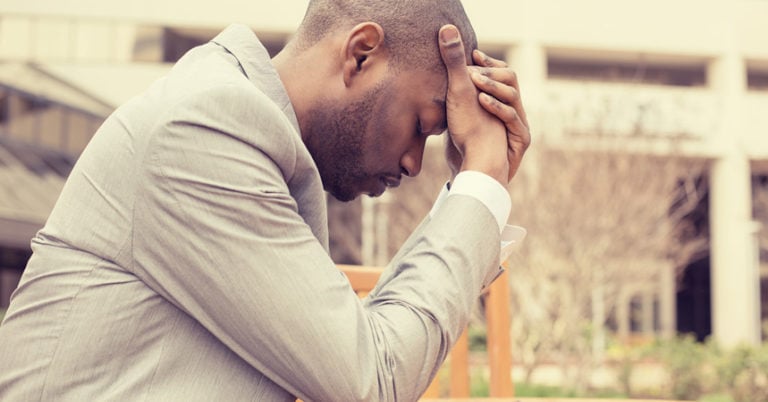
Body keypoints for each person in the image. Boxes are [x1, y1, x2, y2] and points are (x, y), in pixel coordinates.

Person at [0, 0, 530, 400]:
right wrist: (481, 182)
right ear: (361, 54)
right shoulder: (205, 128)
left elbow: (359, 347)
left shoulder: (251, 143)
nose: (415, 162)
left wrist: (474, 194)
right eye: (421, 125)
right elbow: (375, 376)